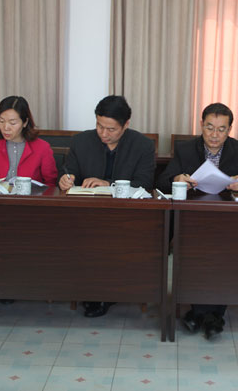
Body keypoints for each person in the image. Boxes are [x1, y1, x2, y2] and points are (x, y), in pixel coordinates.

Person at [158, 102, 238, 339]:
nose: (215, 135)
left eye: (221, 129)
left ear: (229, 129)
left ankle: (200, 315)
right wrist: (178, 179)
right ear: (201, 125)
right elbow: (163, 180)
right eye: (209, 127)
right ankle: (212, 317)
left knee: (224, 254)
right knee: (196, 252)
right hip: (193, 217)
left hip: (228, 218)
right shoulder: (186, 149)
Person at [60, 95, 155, 318]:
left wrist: (108, 184)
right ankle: (92, 291)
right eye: (99, 126)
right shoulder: (81, 141)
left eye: (111, 129)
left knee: (113, 239)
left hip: (127, 216)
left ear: (126, 125)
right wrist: (65, 179)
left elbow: (144, 184)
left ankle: (105, 293)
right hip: (87, 214)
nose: (103, 133)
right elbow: (69, 172)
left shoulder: (142, 145)